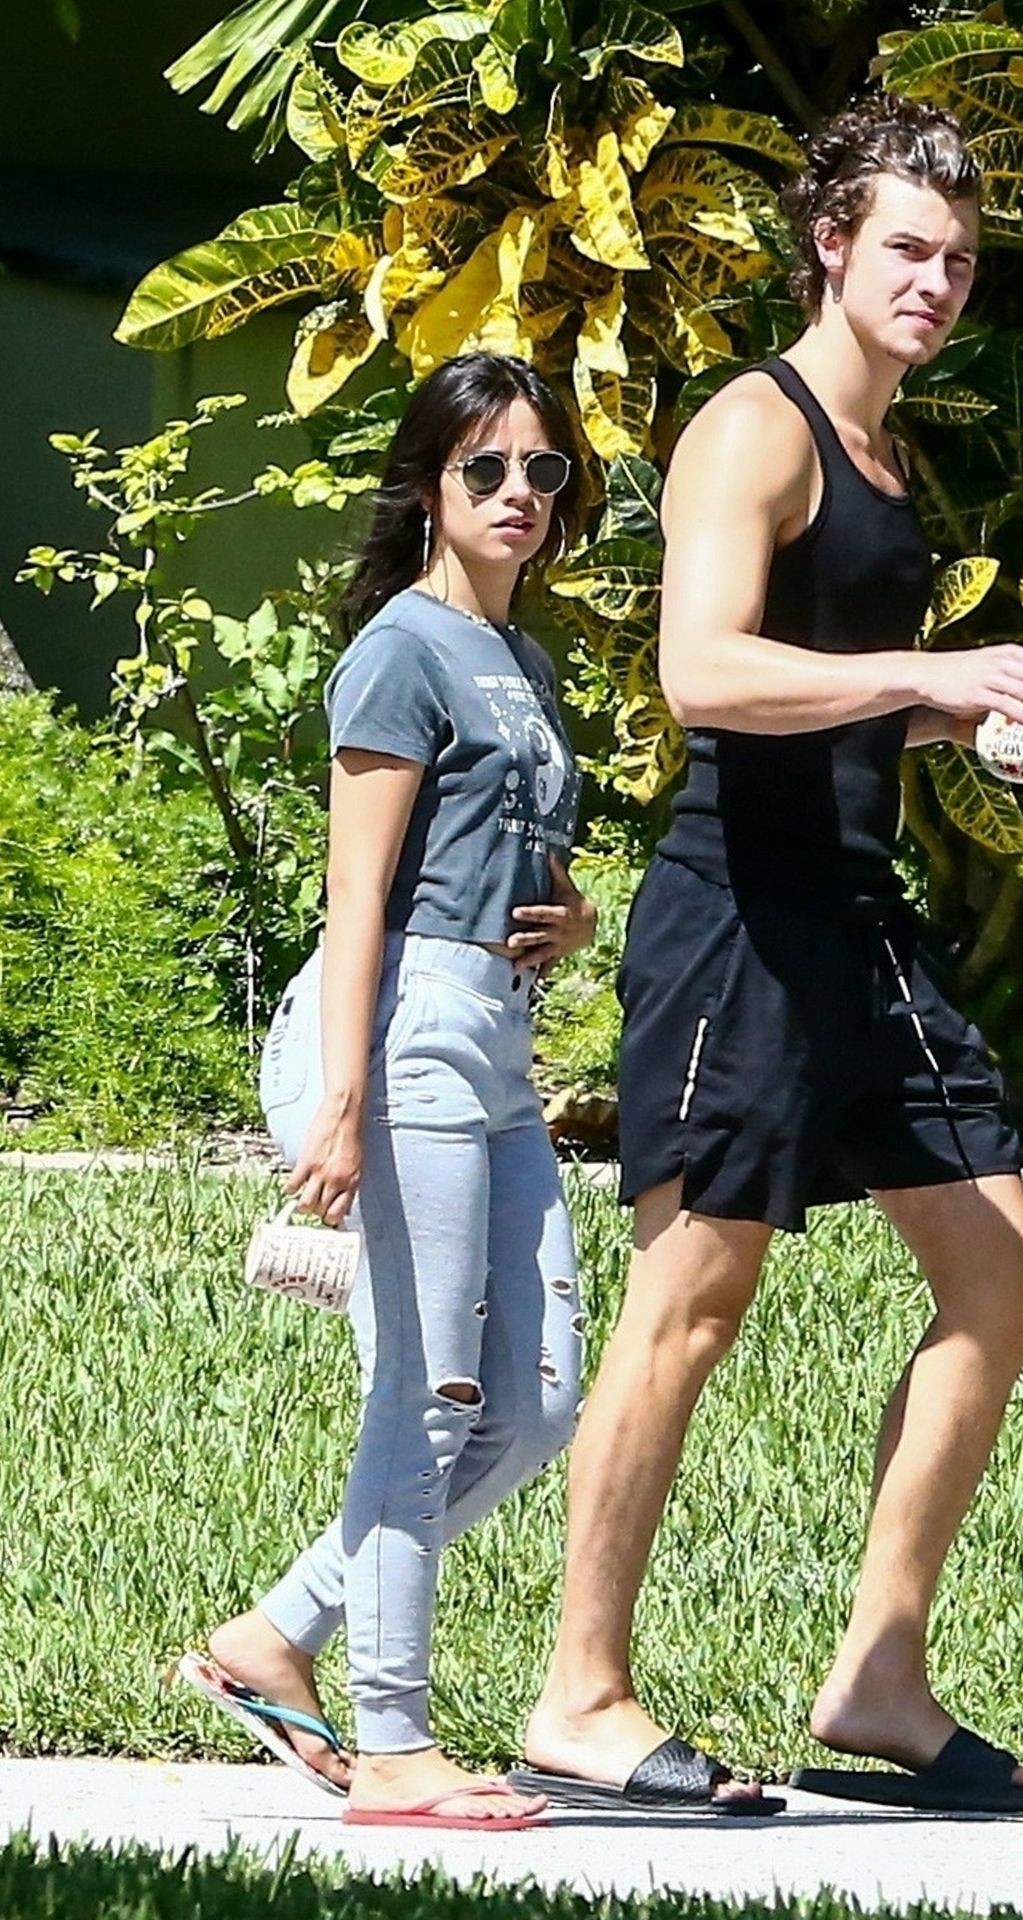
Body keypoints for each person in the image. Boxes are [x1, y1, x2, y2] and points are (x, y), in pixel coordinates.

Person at [513, 95, 1023, 1818]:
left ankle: (879, 1678)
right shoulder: (754, 430)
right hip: (739, 918)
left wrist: (972, 720)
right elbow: (703, 671)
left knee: (1000, 1284)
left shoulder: (888, 454)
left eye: (959, 260)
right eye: (907, 247)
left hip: (853, 916)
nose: (936, 281)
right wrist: (928, 673)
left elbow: (831, 695)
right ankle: (579, 1696)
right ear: (831, 244)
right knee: (690, 1302)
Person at [180, 352, 597, 1831]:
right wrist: (342, 1100)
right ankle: (393, 1742)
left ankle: (273, 1635)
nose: (517, 493)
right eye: (486, 468)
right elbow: (356, 894)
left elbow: (516, 859)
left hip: (496, 1044)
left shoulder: (524, 661)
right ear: (430, 482)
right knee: (425, 1398)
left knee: (537, 1400)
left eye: (544, 470)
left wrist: (573, 918)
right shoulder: (400, 652)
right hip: (402, 1027)